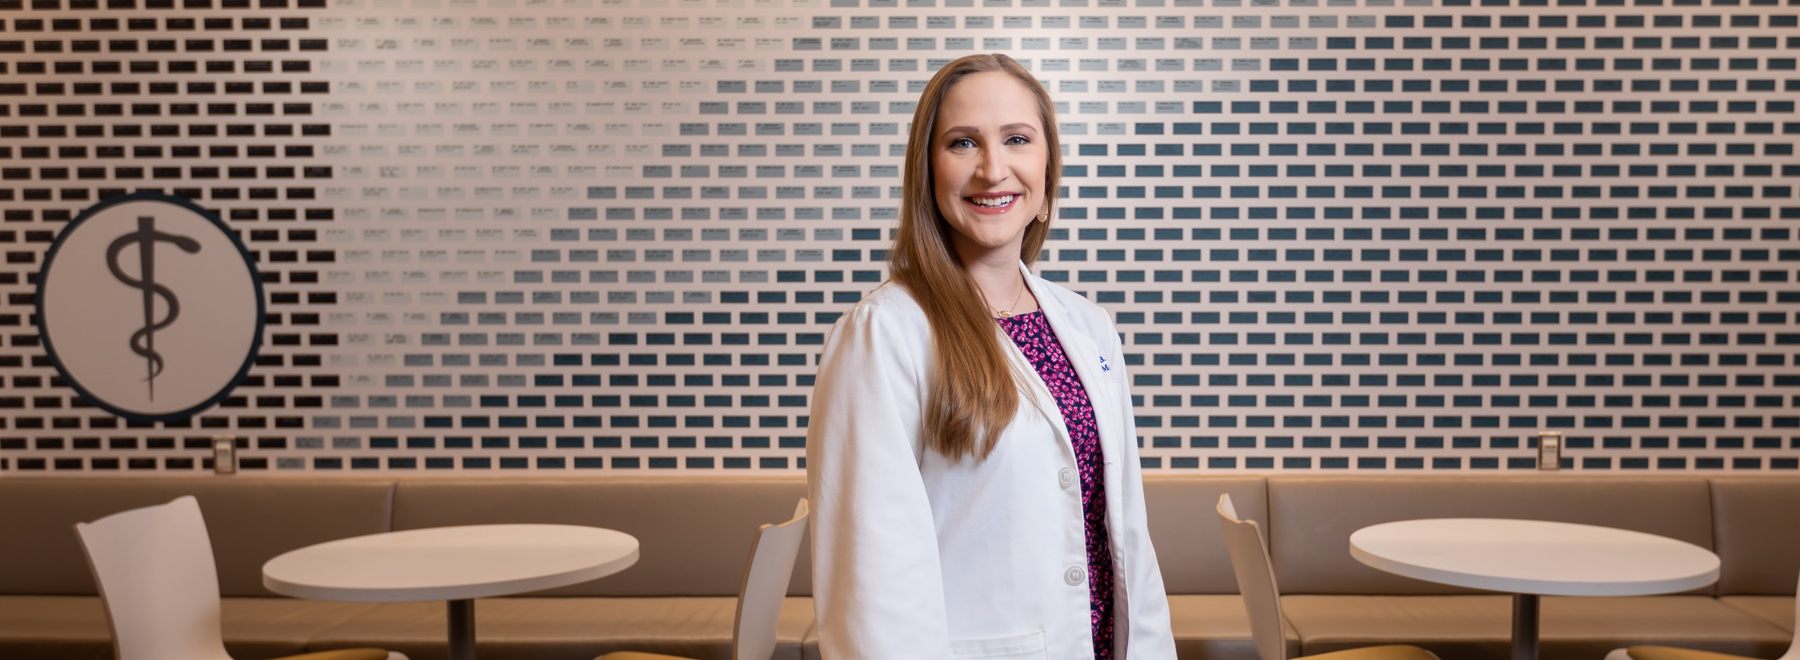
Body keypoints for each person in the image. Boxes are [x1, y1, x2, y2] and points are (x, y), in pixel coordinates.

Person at [806, 53, 1176, 659]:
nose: (993, 169)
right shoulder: (884, 333)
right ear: (927, 170)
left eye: (1017, 139)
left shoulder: (1087, 326)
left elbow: (1129, 541)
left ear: (1047, 163)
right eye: (962, 143)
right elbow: (872, 581)